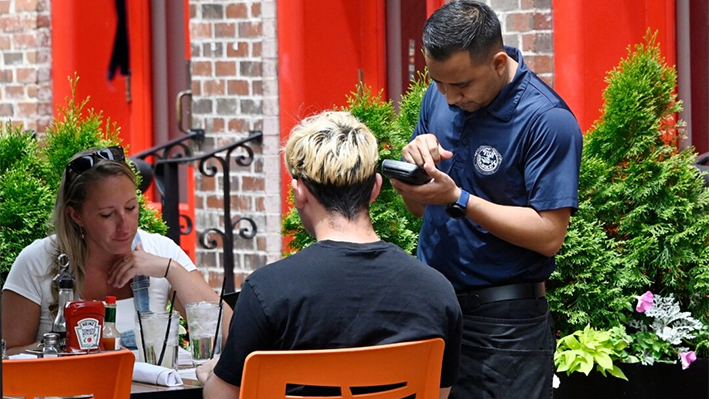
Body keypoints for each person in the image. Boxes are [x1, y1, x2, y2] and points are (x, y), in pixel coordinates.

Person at [390, 1, 583, 398]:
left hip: (505, 327)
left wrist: (459, 198)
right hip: (434, 309)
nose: (448, 98)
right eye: (438, 83)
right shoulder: (437, 97)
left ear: (498, 62)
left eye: (460, 85)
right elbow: (420, 209)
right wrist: (411, 181)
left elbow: (549, 235)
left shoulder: (546, 120)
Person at [197, 111, 463, 399]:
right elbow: (438, 393)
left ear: (299, 192)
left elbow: (222, 397)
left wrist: (211, 375)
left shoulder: (267, 291)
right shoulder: (437, 291)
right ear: (375, 188)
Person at [2, 146, 228, 355]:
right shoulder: (36, 262)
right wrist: (63, 344)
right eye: (107, 214)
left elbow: (227, 333)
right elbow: (8, 354)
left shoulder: (161, 250)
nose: (125, 225)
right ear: (76, 215)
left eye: (131, 207)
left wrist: (171, 269)